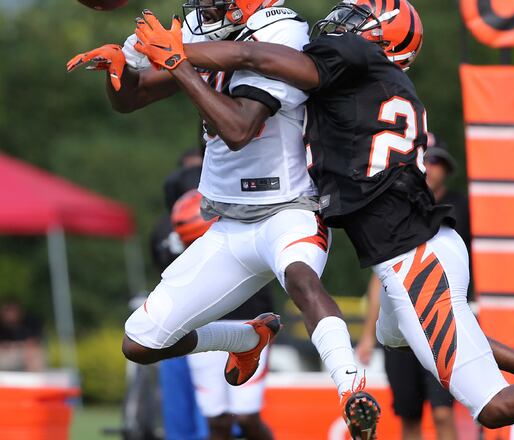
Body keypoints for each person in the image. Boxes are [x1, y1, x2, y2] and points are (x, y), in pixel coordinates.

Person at [131, 2, 514, 439]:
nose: (343, 21)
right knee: (410, 335)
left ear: (382, 36)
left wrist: (183, 53)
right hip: (418, 249)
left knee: (490, 406)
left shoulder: (356, 63)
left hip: (412, 256)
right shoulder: (374, 80)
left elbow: (257, 60)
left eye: (359, 17)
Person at [66, 2, 376, 438]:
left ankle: (352, 390)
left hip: (289, 207)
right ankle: (246, 339)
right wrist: (119, 70)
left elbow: (238, 129)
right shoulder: (201, 25)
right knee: (140, 343)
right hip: (229, 222)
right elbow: (132, 98)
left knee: (302, 280)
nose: (203, 7)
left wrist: (177, 62)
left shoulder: (280, 31)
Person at [355, 133, 466, 440]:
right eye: (424, 161)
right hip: (401, 323)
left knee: (443, 413)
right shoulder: (394, 210)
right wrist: (367, 336)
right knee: (409, 416)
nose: (429, 168)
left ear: (446, 168)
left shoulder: (461, 208)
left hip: (443, 322)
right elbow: (380, 276)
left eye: (435, 161)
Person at [173, 190, 275, 440]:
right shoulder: (183, 240)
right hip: (203, 328)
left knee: (246, 416)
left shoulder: (247, 232)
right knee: (217, 421)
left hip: (247, 325)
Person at [0, 300, 45, 372]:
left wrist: (13, 346)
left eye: (13, 310)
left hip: (24, 354)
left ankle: (34, 381)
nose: (10, 314)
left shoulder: (29, 323)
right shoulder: (2, 326)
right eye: (7, 310)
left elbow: (33, 343)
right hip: (5, 356)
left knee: (35, 354)